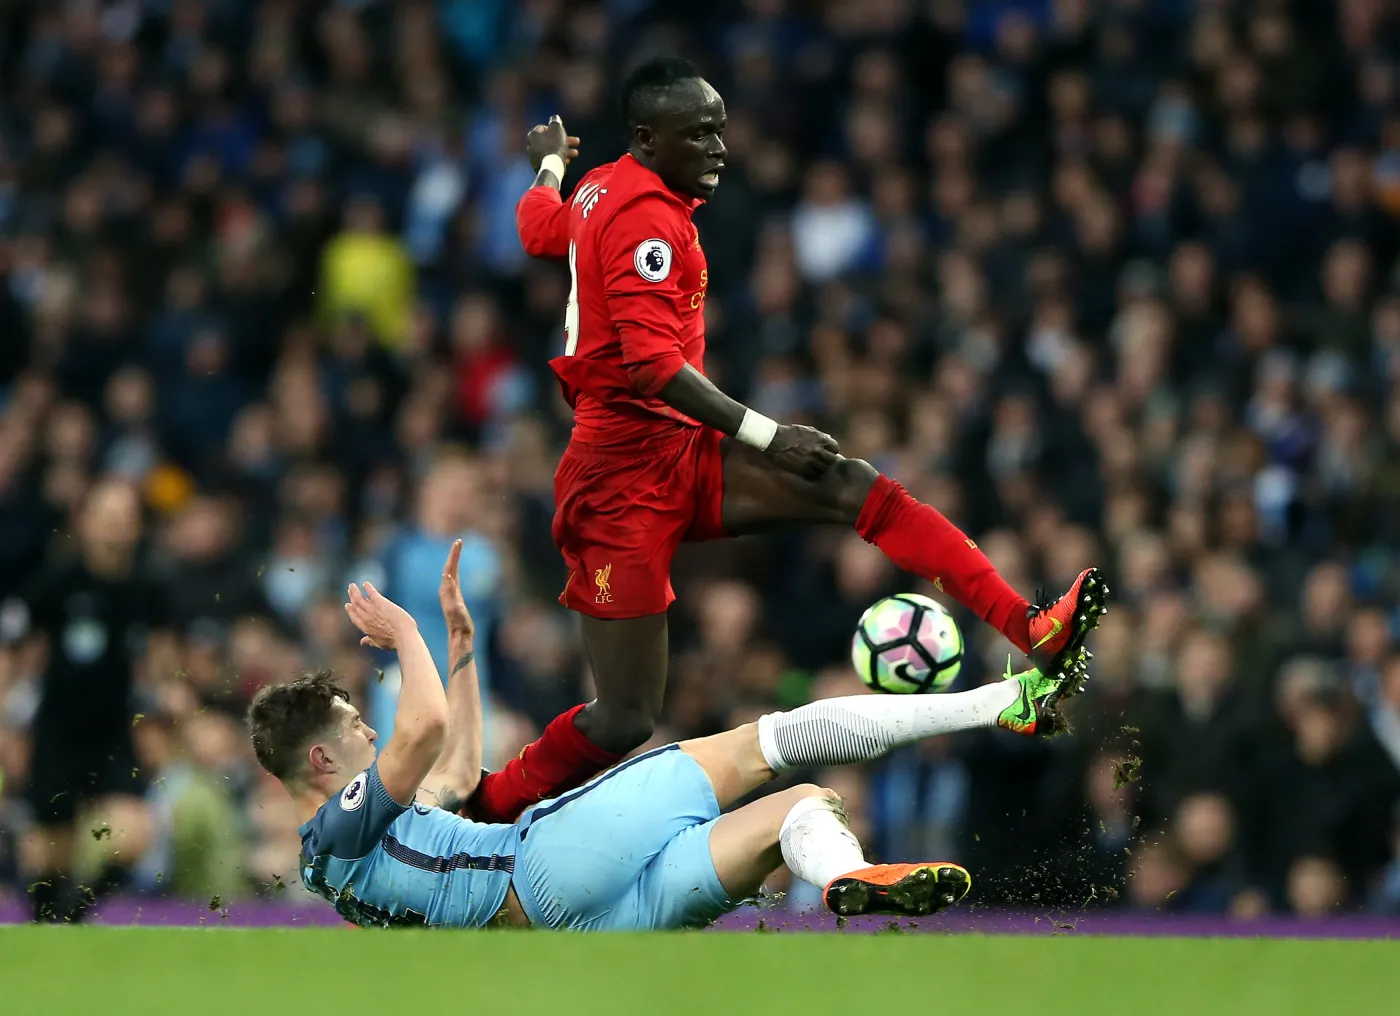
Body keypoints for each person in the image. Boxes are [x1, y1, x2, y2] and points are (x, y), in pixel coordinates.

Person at [478, 55, 1108, 822]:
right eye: (700, 133)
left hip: (678, 454)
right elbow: (651, 367)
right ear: (648, 138)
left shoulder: (604, 186)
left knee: (857, 487)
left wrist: (548, 161)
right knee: (625, 716)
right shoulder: (646, 217)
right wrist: (768, 435)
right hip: (616, 485)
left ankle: (1032, 629)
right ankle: (483, 807)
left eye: (721, 130)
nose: (719, 148)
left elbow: (539, 225)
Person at [250, 543, 1091, 930]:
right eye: (359, 727)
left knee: (798, 805)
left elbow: (455, 775)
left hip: (573, 927)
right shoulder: (336, 827)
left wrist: (462, 650)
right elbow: (426, 728)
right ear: (321, 760)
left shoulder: (354, 859)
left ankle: (849, 875)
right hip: (546, 862)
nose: (374, 730)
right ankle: (1006, 699)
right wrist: (404, 634)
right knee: (769, 740)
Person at [0, 480, 170, 921]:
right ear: (86, 525)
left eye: (124, 519)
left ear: (136, 528)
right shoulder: (56, 583)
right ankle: (47, 927)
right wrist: (6, 724)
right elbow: (12, 646)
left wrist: (163, 712)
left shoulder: (147, 590)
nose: (115, 529)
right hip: (56, 734)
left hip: (113, 733)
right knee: (47, 860)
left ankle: (76, 916)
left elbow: (159, 661)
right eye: (106, 519)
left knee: (135, 833)